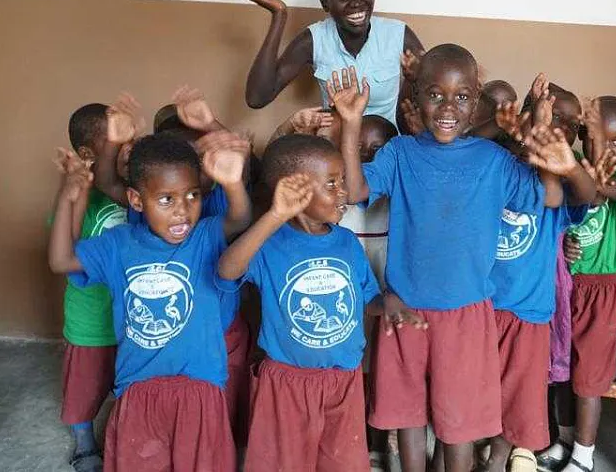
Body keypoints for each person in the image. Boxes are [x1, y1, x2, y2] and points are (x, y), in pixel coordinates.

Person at [330, 45, 575, 472]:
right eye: (435, 94)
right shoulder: (401, 153)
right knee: (407, 414)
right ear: (416, 95)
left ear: (476, 101)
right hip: (405, 308)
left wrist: (542, 135)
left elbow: (550, 196)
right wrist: (350, 124)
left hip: (466, 316)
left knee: (459, 422)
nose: (447, 107)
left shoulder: (493, 160)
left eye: (461, 97)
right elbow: (354, 191)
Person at [47, 132, 252, 471]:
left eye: (192, 195)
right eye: (166, 199)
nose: (182, 211)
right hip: (139, 387)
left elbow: (240, 219)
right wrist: (67, 197)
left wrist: (232, 184)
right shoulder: (118, 244)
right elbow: (61, 260)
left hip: (201, 387)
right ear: (136, 200)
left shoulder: (205, 235)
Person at [217, 134, 417, 472]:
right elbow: (226, 270)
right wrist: (275, 215)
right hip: (287, 383)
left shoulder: (346, 242)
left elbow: (365, 298)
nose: (344, 193)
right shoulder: (268, 243)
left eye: (342, 181)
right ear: (294, 189)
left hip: (344, 380)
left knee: (342, 463)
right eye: (332, 183)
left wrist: (389, 305)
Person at [482, 83, 606, 472]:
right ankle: (476, 450)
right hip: (480, 305)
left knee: (517, 393)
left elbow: (588, 195)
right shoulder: (497, 165)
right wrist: (521, 128)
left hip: (528, 312)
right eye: (550, 116)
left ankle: (500, 457)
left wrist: (567, 166)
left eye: (568, 122)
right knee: (476, 388)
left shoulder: (562, 185)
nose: (557, 126)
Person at [539, 96, 616, 472]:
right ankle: (565, 441)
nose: (608, 149)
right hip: (569, 284)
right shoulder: (570, 171)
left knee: (588, 377)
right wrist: (566, 243)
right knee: (563, 369)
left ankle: (584, 455)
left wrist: (594, 179)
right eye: (599, 139)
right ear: (583, 136)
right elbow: (564, 220)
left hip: (605, 290)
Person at [243, 0, 425, 126]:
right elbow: (257, 98)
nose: (356, 2)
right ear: (325, 3)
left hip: (388, 143)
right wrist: (279, 16)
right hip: (336, 144)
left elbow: (432, 92)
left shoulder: (398, 34)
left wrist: (415, 79)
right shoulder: (314, 39)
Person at [55, 104, 128, 472]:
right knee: (84, 386)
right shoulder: (77, 194)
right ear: (87, 154)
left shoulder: (130, 192)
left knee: (124, 379)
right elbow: (66, 248)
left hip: (127, 317)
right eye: (113, 141)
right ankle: (84, 441)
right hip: (90, 320)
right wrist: (75, 191)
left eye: (127, 139)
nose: (125, 147)